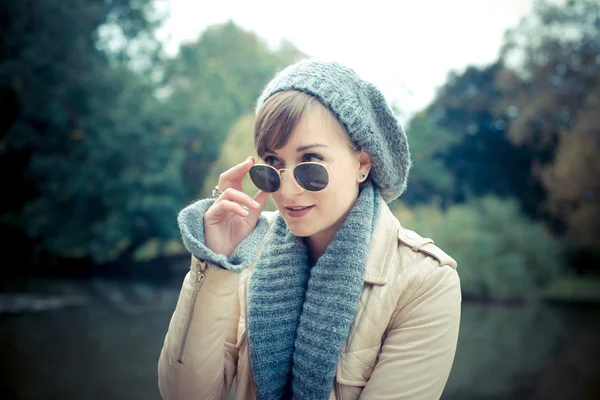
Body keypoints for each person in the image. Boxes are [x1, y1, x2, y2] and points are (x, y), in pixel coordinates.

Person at [158, 59, 461, 400]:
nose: (287, 192)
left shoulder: (425, 281)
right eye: (273, 165)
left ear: (362, 163)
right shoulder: (247, 248)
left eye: (311, 164)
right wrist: (216, 263)